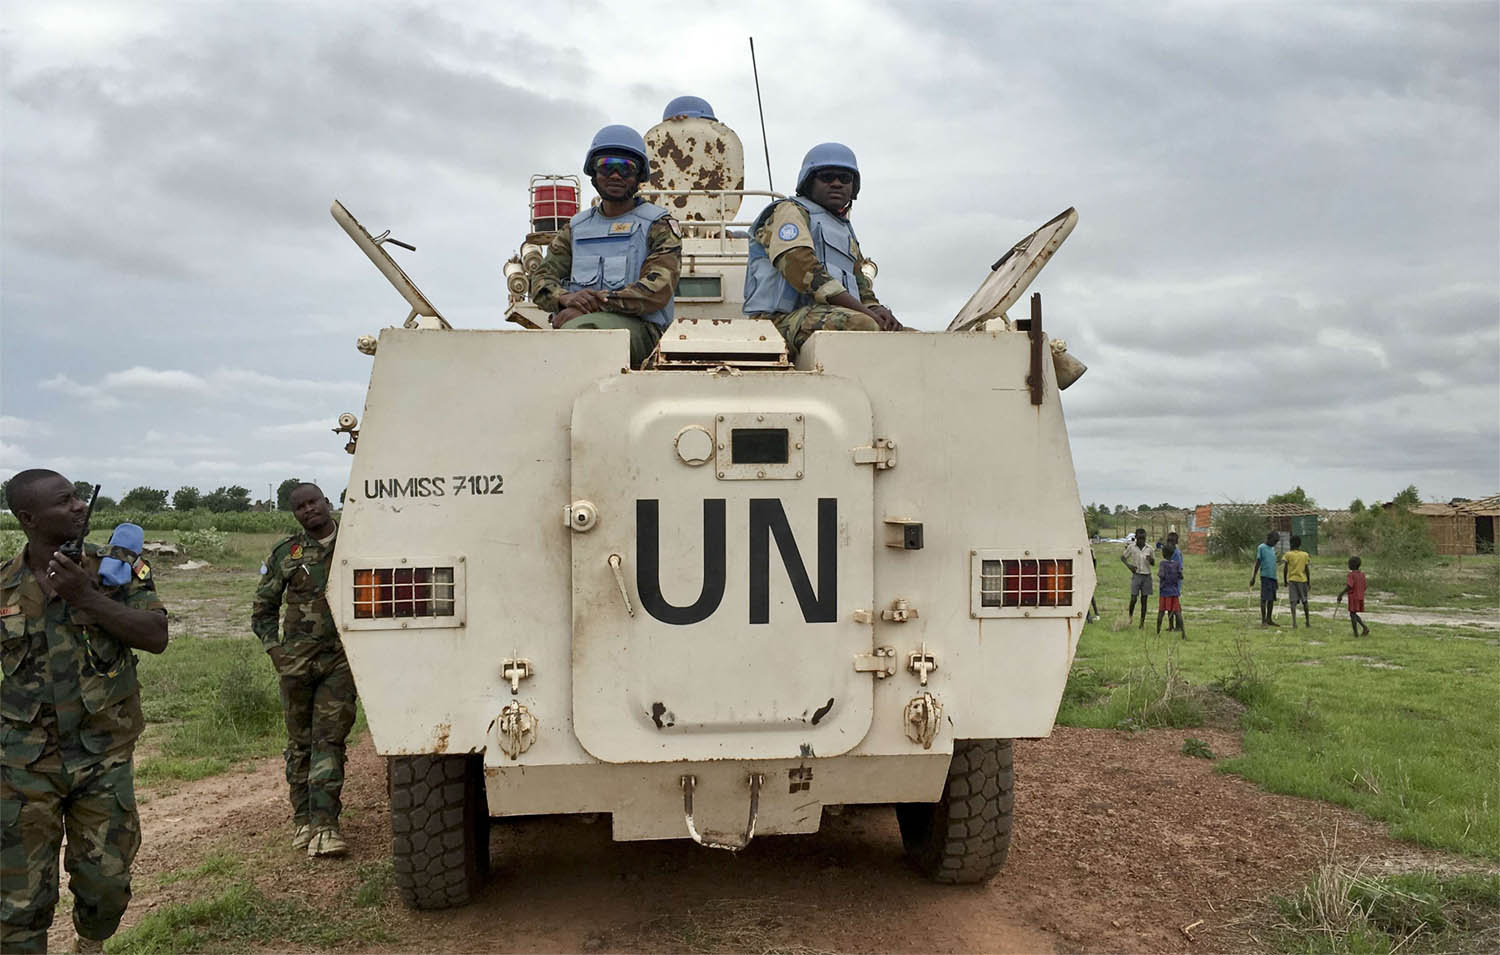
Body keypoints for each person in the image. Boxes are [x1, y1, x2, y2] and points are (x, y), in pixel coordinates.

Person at [1, 469, 169, 954]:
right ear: (29, 518)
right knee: (17, 901)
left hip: (102, 757)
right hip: (21, 766)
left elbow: (155, 637)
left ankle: (89, 943)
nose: (78, 506)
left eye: (78, 497)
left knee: (107, 886)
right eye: (64, 501)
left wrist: (87, 596)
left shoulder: (115, 571)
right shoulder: (4, 585)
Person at [251, 483, 356, 858]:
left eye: (313, 502)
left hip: (341, 661)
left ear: (327, 502)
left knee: (328, 740)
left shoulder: (356, 540)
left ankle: (326, 826)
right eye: (300, 507)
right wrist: (275, 651)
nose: (308, 509)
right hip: (296, 664)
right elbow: (262, 610)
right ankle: (303, 821)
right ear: (294, 514)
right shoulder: (287, 554)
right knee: (300, 744)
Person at [531, 124, 683, 368]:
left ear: (639, 176)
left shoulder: (658, 225)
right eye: (606, 166)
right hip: (577, 325)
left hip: (642, 331)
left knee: (586, 333)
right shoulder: (576, 228)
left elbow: (657, 290)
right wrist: (565, 299)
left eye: (625, 168)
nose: (615, 175)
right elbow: (540, 280)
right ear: (593, 173)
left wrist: (589, 306)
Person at [742, 142, 903, 361]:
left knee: (912, 339)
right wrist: (865, 313)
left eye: (845, 178)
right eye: (827, 177)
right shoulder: (788, 211)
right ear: (809, 182)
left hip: (829, 315)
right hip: (777, 323)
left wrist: (877, 309)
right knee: (861, 325)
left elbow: (861, 286)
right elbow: (802, 269)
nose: (837, 183)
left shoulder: (844, 230)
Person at [1120, 528, 1155, 628]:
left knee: (1144, 600)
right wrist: (1129, 566)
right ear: (1136, 538)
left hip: (1147, 576)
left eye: (1143, 539)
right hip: (1136, 575)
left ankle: (1142, 623)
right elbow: (1123, 557)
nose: (1141, 541)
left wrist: (1151, 560)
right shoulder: (1132, 547)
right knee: (1133, 598)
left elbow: (1153, 563)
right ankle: (1130, 617)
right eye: (1139, 538)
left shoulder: (1150, 549)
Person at [1281, 534, 1312, 629]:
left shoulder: (1288, 554)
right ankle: (1307, 622)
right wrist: (1309, 582)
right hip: (1303, 580)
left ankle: (1294, 623)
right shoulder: (1305, 555)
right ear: (1300, 544)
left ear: (1291, 544)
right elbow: (1307, 569)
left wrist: (1285, 581)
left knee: (1293, 602)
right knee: (1305, 601)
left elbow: (1285, 569)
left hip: (1292, 581)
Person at [1250, 531, 1280, 627]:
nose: (1275, 543)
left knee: (1271, 599)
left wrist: (1276, 579)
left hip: (1272, 577)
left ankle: (1269, 619)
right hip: (1265, 577)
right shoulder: (1261, 547)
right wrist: (1253, 577)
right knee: (1264, 599)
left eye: (1276, 542)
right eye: (1274, 541)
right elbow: (1258, 562)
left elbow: (1273, 564)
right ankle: (1263, 621)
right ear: (1269, 538)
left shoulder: (1272, 549)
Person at [1337, 556, 1370, 637]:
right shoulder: (1362, 574)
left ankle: (1356, 633)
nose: (1348, 565)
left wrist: (1341, 593)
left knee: (1352, 614)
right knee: (1353, 614)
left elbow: (1349, 586)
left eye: (1349, 564)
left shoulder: (1351, 575)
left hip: (1353, 597)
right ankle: (1364, 628)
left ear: (1352, 565)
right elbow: (1365, 586)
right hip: (1360, 596)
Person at [1156, 541, 1185, 638]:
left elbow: (1161, 575)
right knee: (1177, 612)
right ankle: (1183, 633)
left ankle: (1158, 632)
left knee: (1161, 612)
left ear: (1164, 554)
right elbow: (1181, 576)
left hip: (1164, 592)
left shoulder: (1162, 564)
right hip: (1174, 592)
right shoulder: (1177, 564)